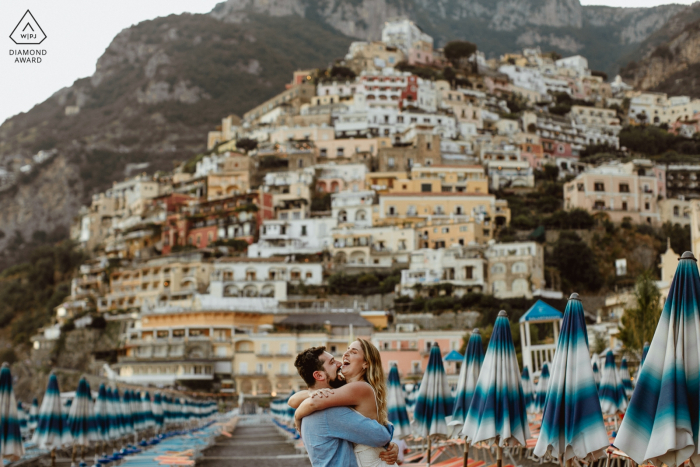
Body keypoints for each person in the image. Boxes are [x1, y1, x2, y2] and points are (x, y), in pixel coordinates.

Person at [291, 339, 394, 467]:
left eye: (354, 351)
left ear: (366, 363)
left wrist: (297, 415)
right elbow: (381, 436)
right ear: (319, 375)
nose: (341, 360)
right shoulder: (329, 409)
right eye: (332, 362)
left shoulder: (358, 389)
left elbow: (306, 402)